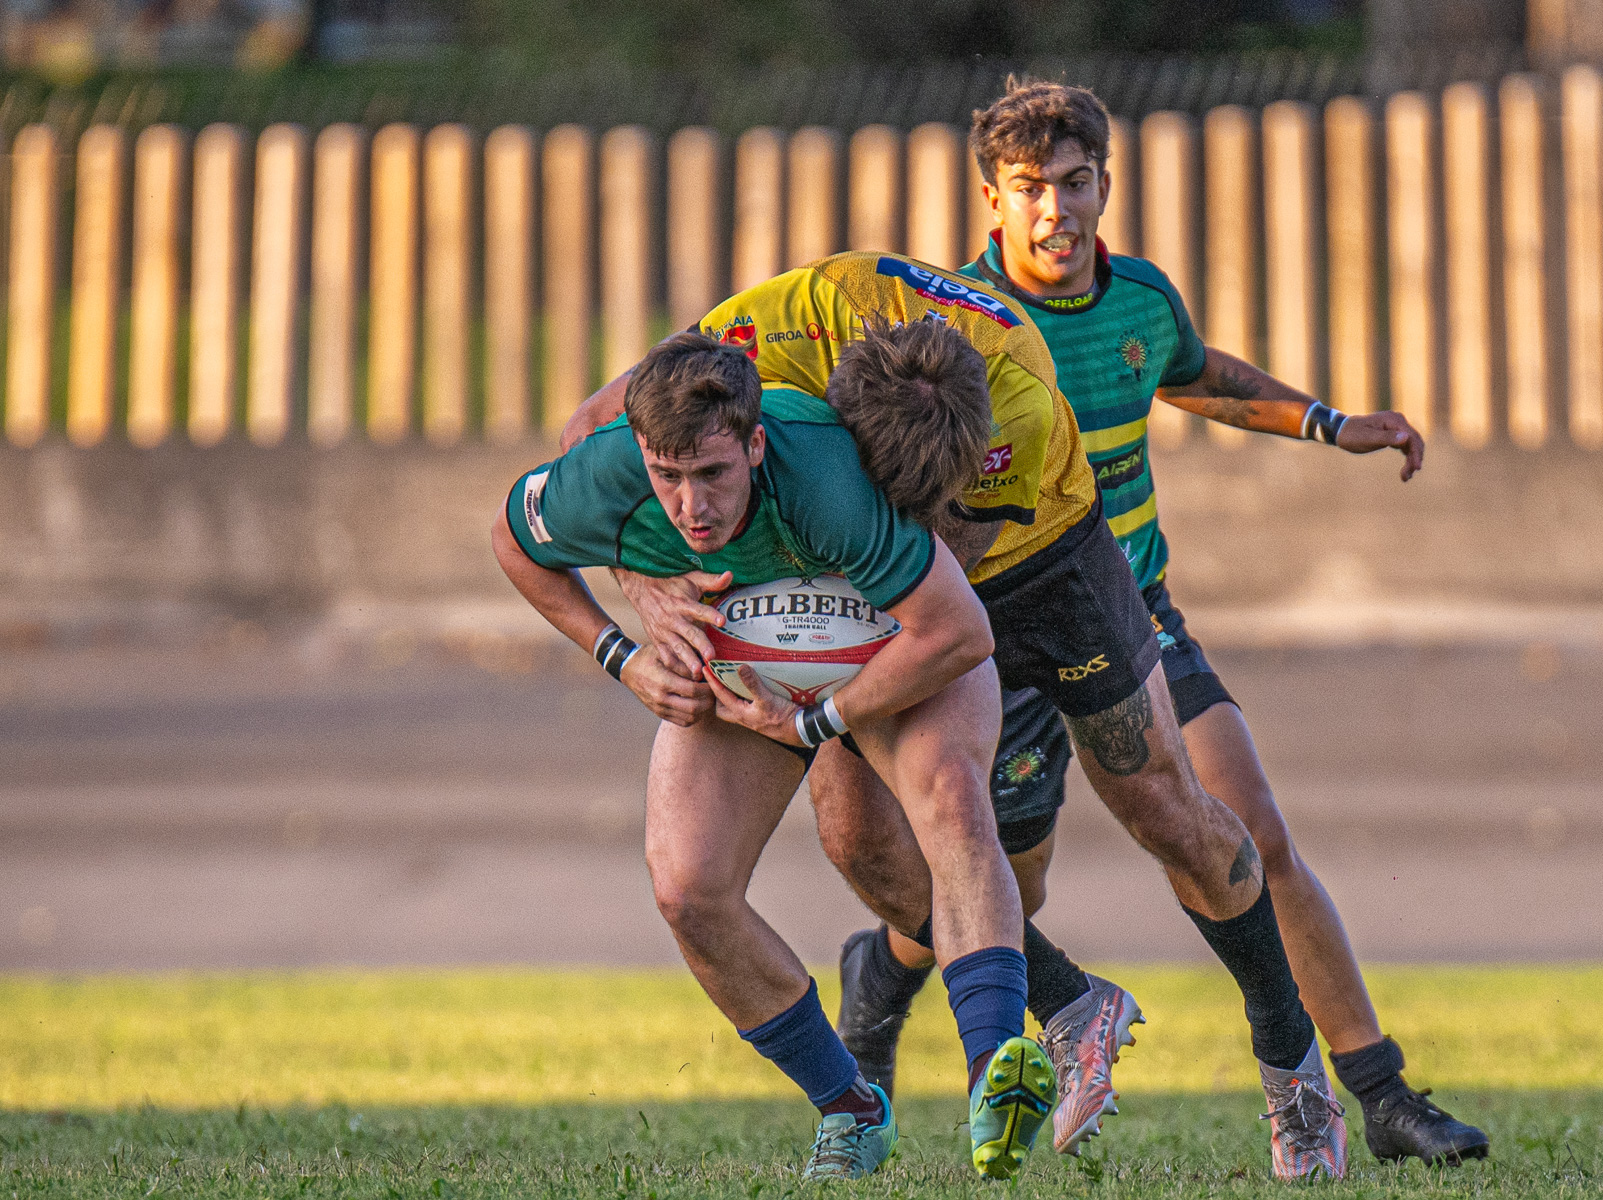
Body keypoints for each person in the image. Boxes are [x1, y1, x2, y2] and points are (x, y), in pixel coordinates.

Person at [562, 250, 1340, 1180]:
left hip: (1041, 557)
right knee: (861, 842)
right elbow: (595, 433)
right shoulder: (781, 328)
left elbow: (948, 606)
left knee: (1169, 810)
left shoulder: (1016, 400)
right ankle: (1067, 1003)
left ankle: (1293, 1065)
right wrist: (644, 588)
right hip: (867, 573)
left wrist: (830, 697)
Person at [831, 79, 1490, 1171]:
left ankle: (1375, 1090)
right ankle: (889, 966)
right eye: (1030, 188)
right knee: (1005, 884)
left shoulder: (1139, 298)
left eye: (1076, 182)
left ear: (1106, 185)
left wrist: (1329, 424)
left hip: (1133, 614)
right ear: (991, 200)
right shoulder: (948, 320)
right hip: (992, 635)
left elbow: (1194, 376)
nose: (1056, 210)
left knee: (1249, 833)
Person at [494, 330, 1055, 1181]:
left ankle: (993, 1079)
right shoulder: (605, 473)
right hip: (742, 656)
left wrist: (815, 722)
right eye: (667, 477)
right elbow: (513, 542)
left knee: (950, 800)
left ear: (755, 444)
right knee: (688, 888)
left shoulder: (823, 480)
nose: (690, 507)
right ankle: (849, 1109)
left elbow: (958, 632)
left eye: (714, 475)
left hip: (894, 638)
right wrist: (623, 655)